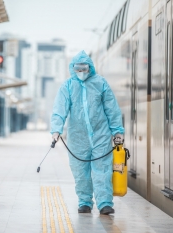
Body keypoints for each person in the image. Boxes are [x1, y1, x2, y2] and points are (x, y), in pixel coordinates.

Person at [50, 50, 124, 215]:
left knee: (102, 169)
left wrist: (117, 131)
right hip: (78, 137)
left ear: (90, 67)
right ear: (73, 69)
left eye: (84, 68)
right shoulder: (68, 86)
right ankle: (84, 202)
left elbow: (112, 108)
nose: (81, 72)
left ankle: (105, 203)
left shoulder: (100, 83)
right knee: (80, 171)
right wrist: (56, 129)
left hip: (101, 135)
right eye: (78, 69)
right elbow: (59, 109)